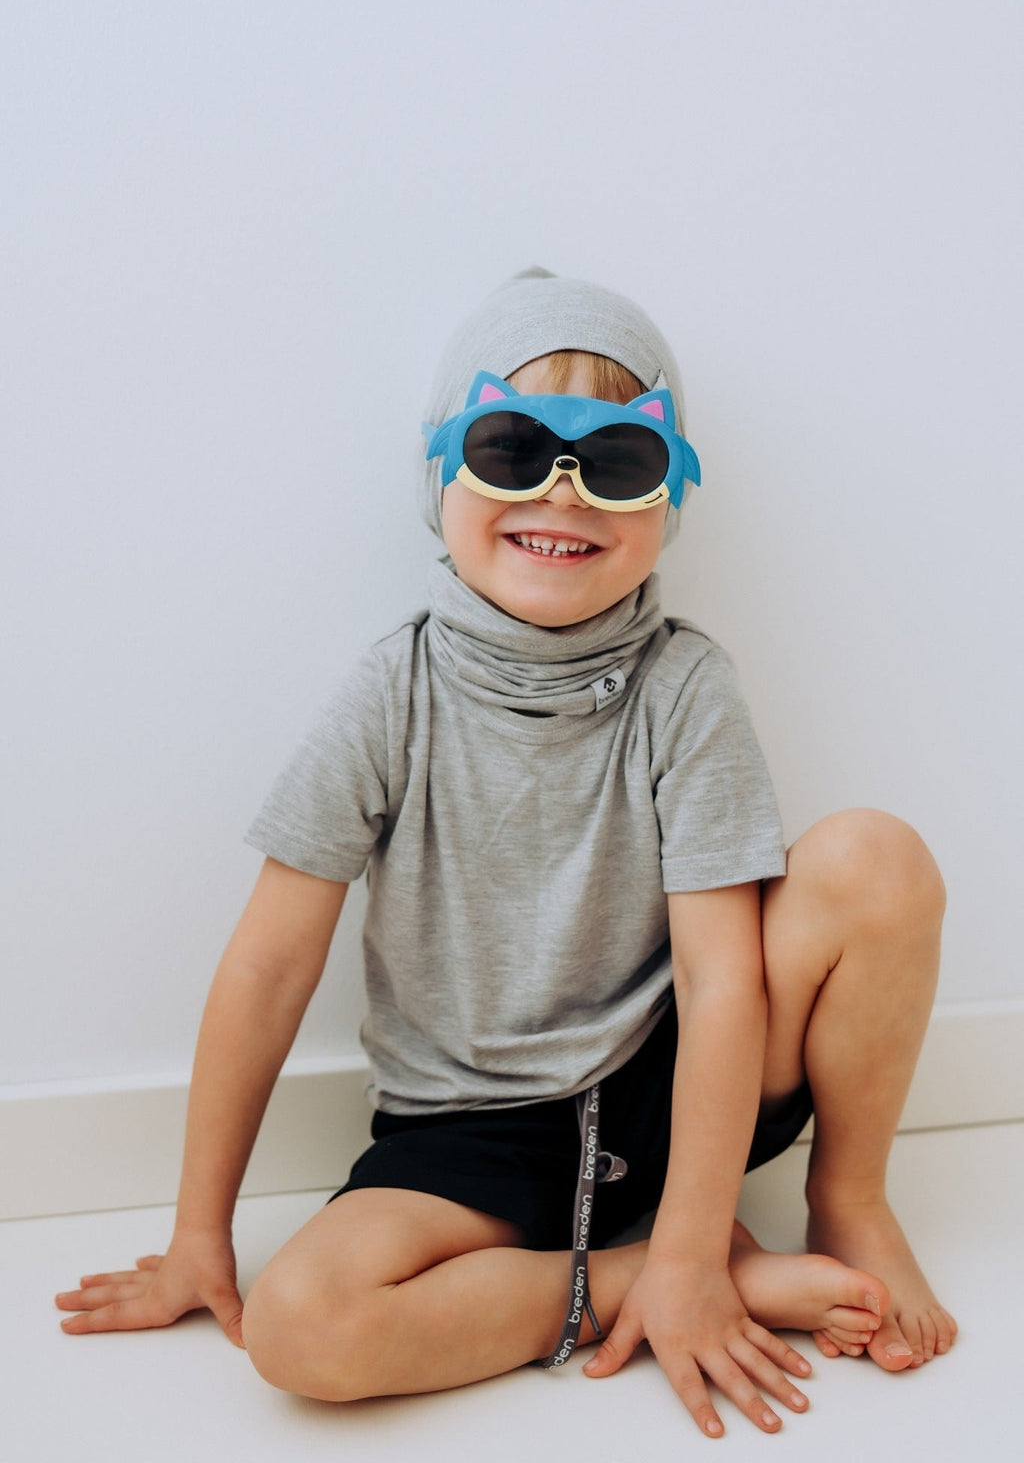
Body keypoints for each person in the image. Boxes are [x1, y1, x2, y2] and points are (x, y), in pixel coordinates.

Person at [55, 269, 956, 1439]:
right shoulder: (390, 692)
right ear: (439, 476)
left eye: (619, 463)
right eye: (515, 449)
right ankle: (635, 1281)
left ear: (667, 497)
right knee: (300, 1329)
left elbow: (725, 979)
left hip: (667, 1084)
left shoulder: (685, 686)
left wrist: (691, 1228)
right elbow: (268, 969)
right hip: (464, 1130)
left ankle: (842, 1200)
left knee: (874, 857)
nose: (564, 495)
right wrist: (196, 1235)